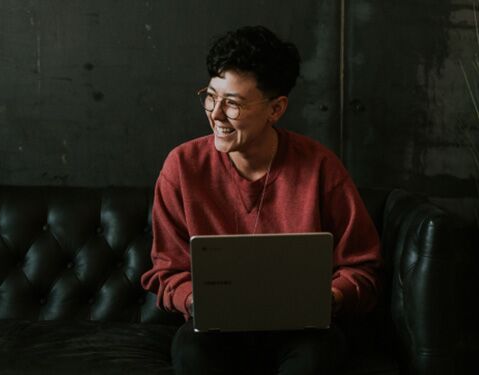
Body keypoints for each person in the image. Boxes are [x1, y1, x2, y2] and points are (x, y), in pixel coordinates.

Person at [141, 25, 382, 375]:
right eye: (211, 96)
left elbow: (364, 269)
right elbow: (167, 271)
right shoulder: (182, 167)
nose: (216, 114)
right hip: (215, 332)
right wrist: (195, 300)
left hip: (301, 332)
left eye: (233, 104)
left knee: (316, 357)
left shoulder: (320, 168)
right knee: (192, 354)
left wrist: (330, 297)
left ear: (276, 109)